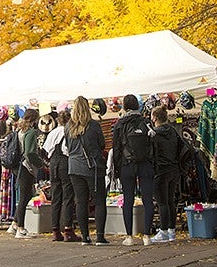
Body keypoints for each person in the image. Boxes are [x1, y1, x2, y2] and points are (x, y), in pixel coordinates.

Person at [112, 94, 156, 246]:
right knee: (148, 199)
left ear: (124, 106)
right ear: (138, 106)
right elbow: (153, 145)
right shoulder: (147, 122)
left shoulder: (120, 124)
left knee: (128, 200)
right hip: (145, 164)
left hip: (127, 164)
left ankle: (129, 236)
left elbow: (116, 148)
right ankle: (147, 236)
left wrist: (117, 169)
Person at [65, 96, 109, 246]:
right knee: (99, 201)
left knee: (81, 201)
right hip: (92, 167)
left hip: (74, 167)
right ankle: (100, 236)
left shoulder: (68, 126)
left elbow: (67, 146)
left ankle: (85, 236)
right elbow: (101, 144)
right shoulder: (93, 125)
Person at [44, 110, 79, 242]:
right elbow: (69, 150)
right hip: (65, 162)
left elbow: (46, 149)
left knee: (56, 196)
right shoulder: (69, 132)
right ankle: (68, 229)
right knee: (68, 196)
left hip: (53, 163)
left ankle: (55, 230)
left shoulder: (53, 132)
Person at [13, 108, 46, 239]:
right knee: (25, 196)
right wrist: (40, 163)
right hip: (26, 167)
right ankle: (20, 228)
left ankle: (16, 223)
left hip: (19, 167)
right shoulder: (30, 132)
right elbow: (30, 152)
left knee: (25, 196)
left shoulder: (20, 131)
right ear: (34, 119)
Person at [149, 105, 181, 243]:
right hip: (174, 169)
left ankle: (163, 231)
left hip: (160, 170)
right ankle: (172, 231)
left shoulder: (154, 134)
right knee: (170, 201)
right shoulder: (173, 131)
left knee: (162, 203)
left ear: (155, 118)